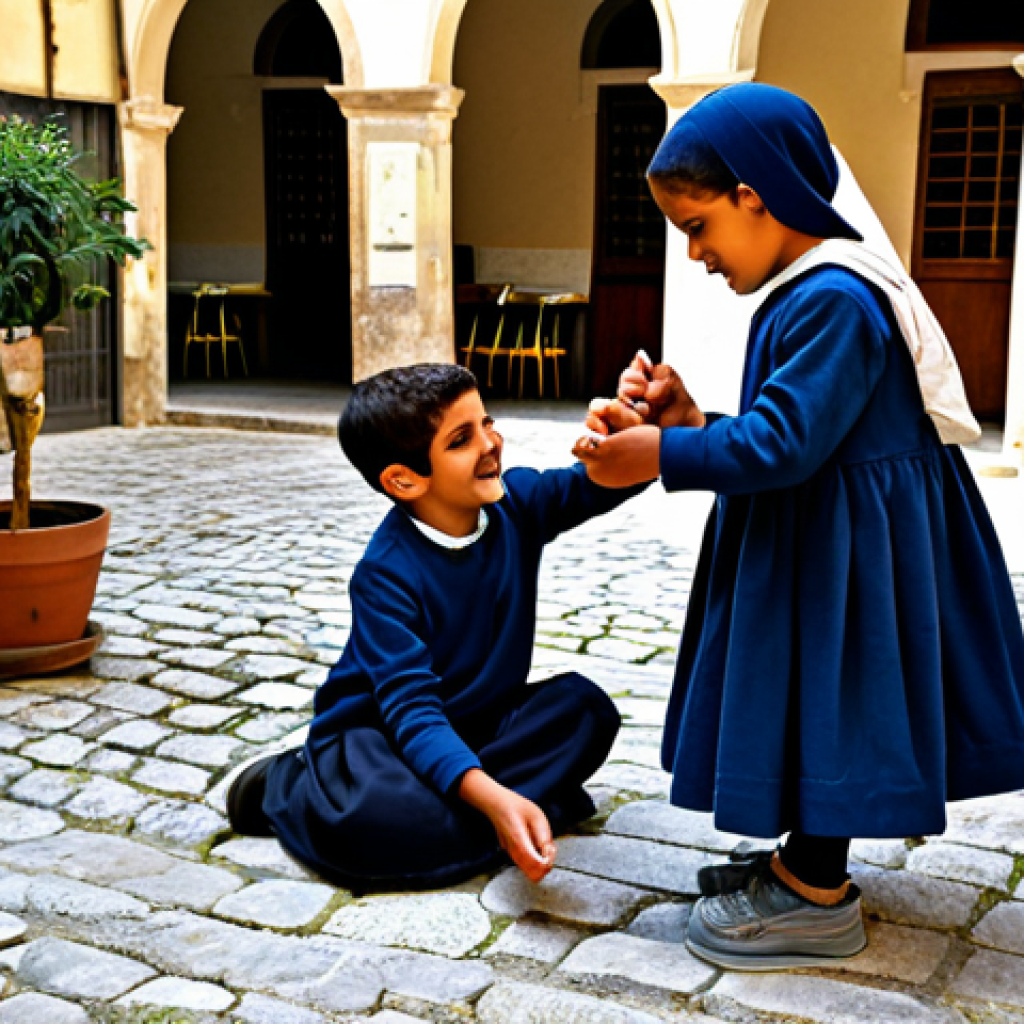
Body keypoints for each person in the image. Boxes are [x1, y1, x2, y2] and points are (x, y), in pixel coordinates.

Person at [575, 82, 1024, 971]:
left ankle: (818, 895)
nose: (696, 254)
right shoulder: (805, 290)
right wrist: (694, 423)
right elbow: (795, 424)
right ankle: (798, 863)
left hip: (850, 553)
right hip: (827, 529)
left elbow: (784, 442)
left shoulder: (833, 297)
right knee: (809, 700)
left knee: (835, 703)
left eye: (699, 226)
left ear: (756, 195)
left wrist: (658, 458)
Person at [227, 363, 644, 892]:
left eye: (486, 422)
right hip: (380, 741)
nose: (492, 442)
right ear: (404, 479)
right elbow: (413, 713)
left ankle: (481, 810)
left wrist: (643, 432)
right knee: (387, 817)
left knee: (585, 710)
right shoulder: (385, 574)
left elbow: (604, 481)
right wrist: (497, 799)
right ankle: (284, 784)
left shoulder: (518, 504)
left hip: (480, 728)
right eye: (462, 439)